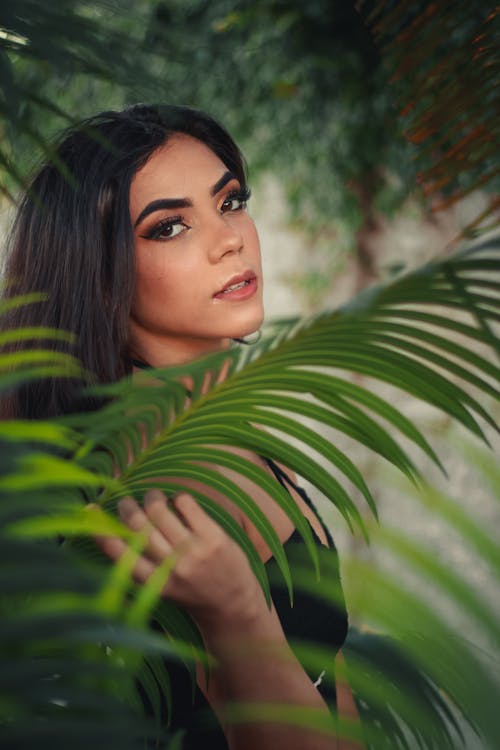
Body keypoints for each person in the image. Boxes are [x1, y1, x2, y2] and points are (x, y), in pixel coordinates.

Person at [0, 104, 362, 749]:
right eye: (168, 228)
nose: (231, 240)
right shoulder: (138, 484)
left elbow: (327, 680)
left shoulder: (233, 424)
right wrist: (235, 613)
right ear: (99, 271)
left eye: (230, 202)